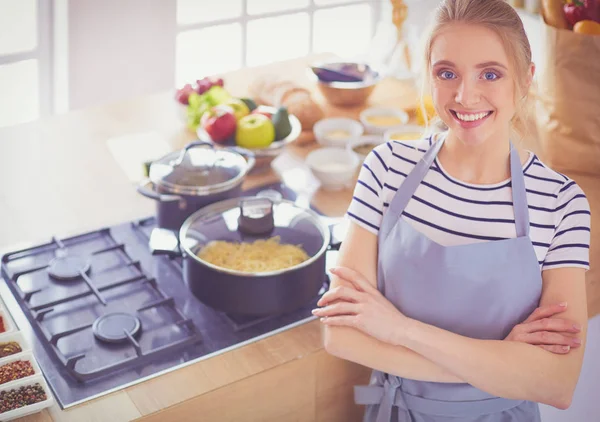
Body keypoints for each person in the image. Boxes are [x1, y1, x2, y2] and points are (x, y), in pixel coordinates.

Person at [312, 0, 591, 420]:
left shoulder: (561, 203)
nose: (465, 95)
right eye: (447, 73)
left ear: (526, 79)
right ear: (430, 76)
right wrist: (503, 364)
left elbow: (556, 383)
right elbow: (341, 334)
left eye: (490, 74)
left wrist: (399, 330)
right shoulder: (387, 167)